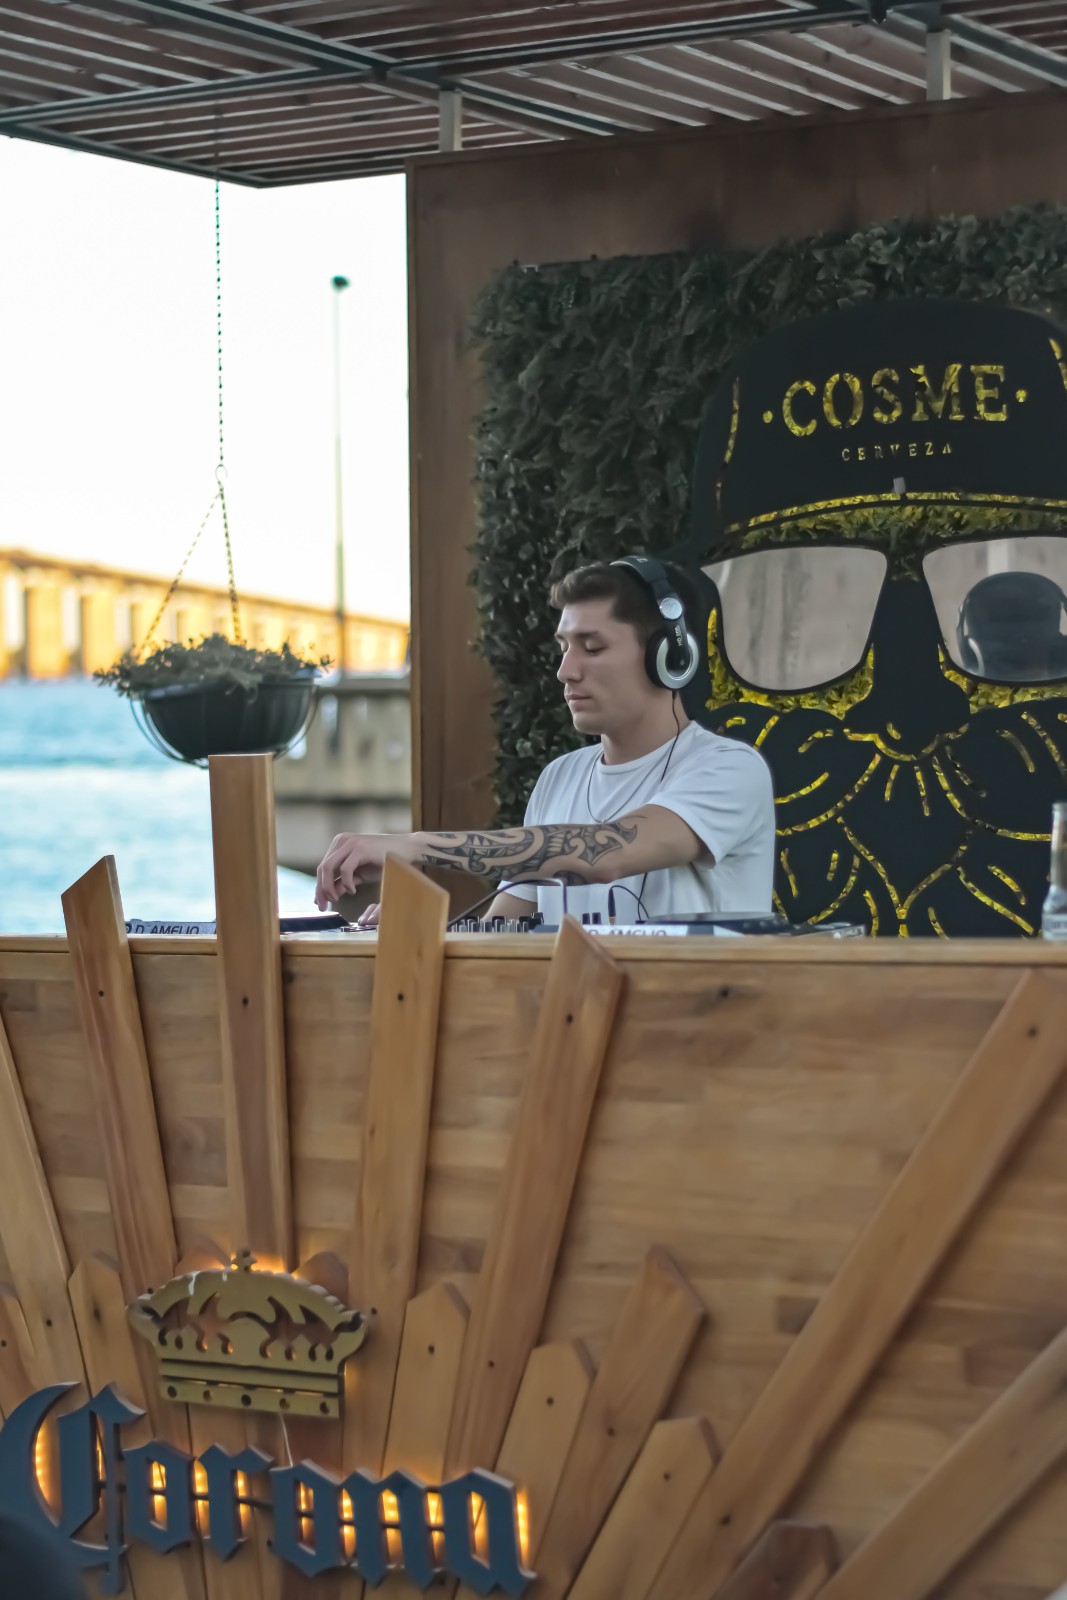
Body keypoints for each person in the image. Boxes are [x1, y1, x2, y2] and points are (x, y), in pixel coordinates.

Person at [315, 558, 775, 925]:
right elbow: (502, 934)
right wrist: (424, 933)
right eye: (564, 648)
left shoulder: (730, 769)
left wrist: (416, 845)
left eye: (592, 648)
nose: (566, 671)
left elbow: (606, 852)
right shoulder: (560, 777)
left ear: (670, 657)